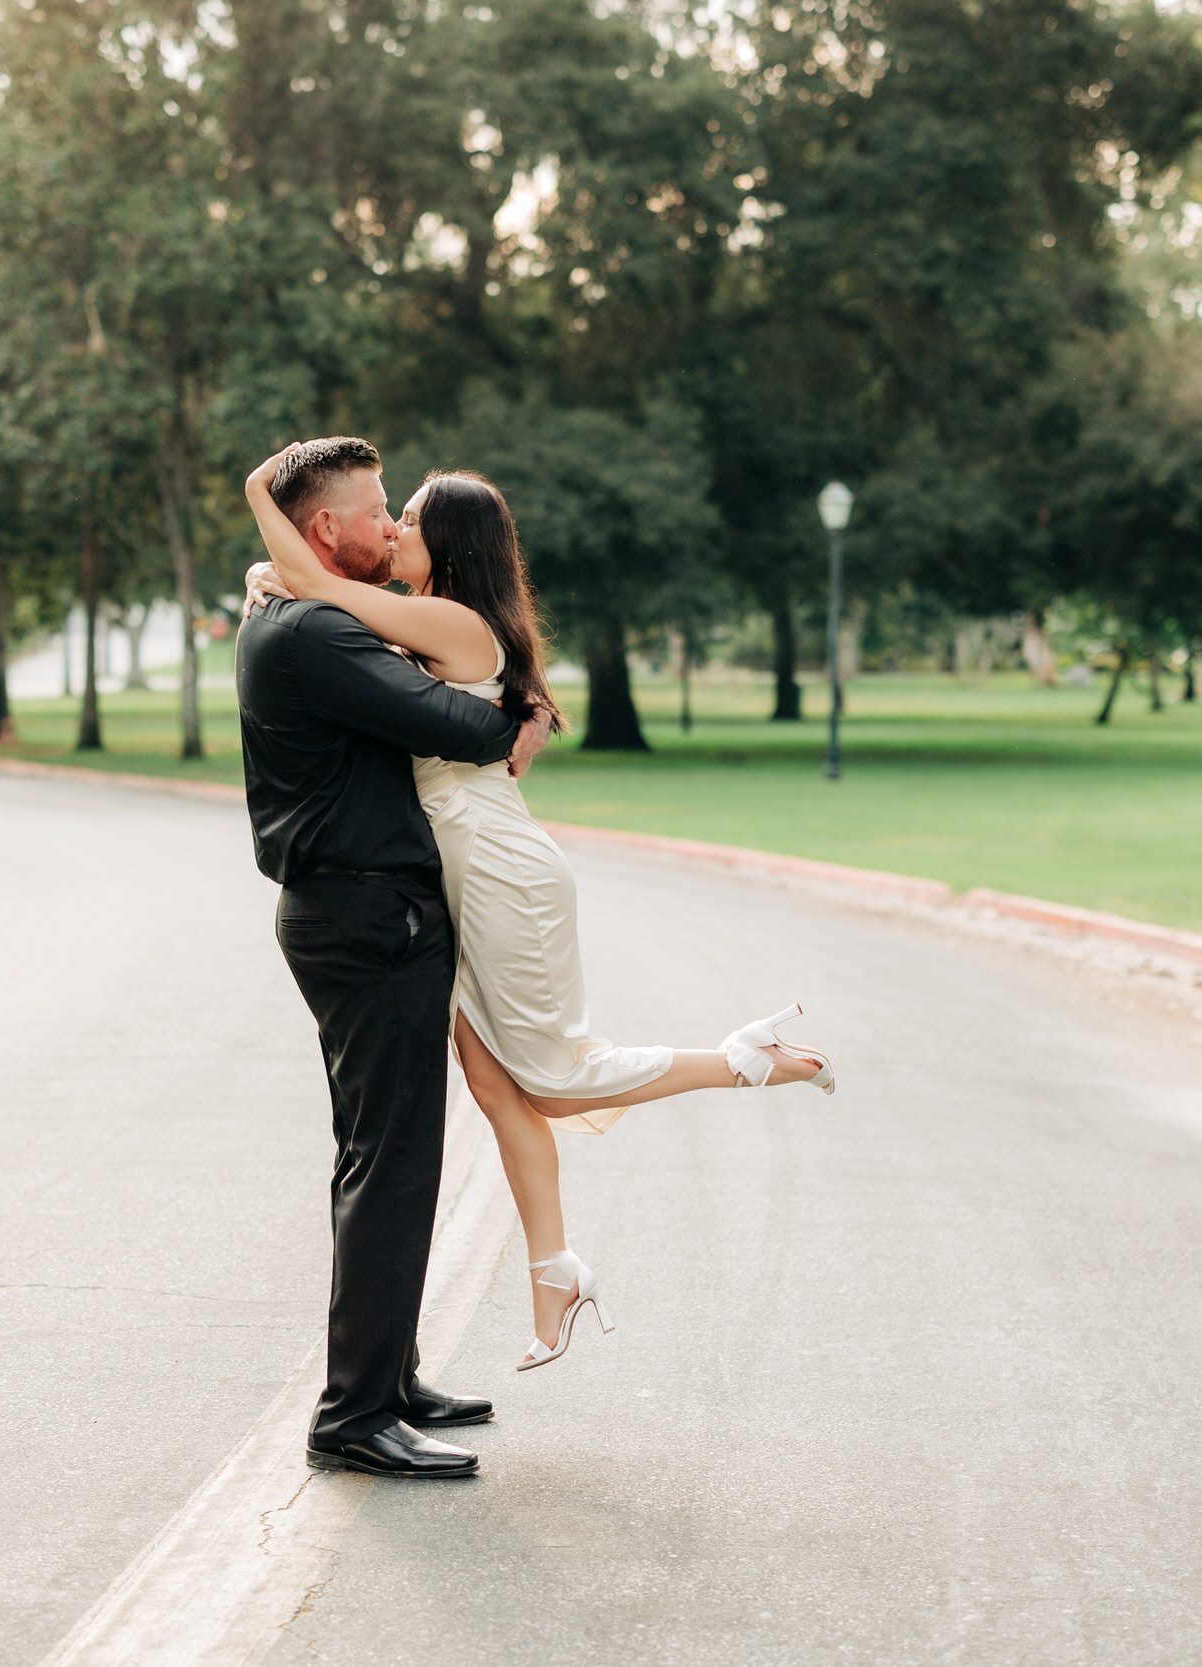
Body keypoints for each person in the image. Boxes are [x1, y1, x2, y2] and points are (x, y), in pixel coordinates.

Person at [242, 440, 834, 1380]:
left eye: (409, 519)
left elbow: (323, 588)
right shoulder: (423, 624)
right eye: (388, 511)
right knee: (494, 1086)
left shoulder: (451, 623)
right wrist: (274, 571)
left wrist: (255, 503)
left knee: (552, 1077)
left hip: (497, 868)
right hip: (465, 868)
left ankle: (739, 1059)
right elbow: (330, 607)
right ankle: (555, 1269)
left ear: (450, 550)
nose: (393, 526)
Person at [236, 437, 553, 1481]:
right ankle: (355, 1412)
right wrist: (515, 711)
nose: (390, 527)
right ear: (323, 528)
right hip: (369, 918)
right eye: (377, 511)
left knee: (379, 1153)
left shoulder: (302, 613)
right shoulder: (316, 632)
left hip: (361, 913)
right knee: (394, 1160)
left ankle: (391, 1373)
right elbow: (465, 728)